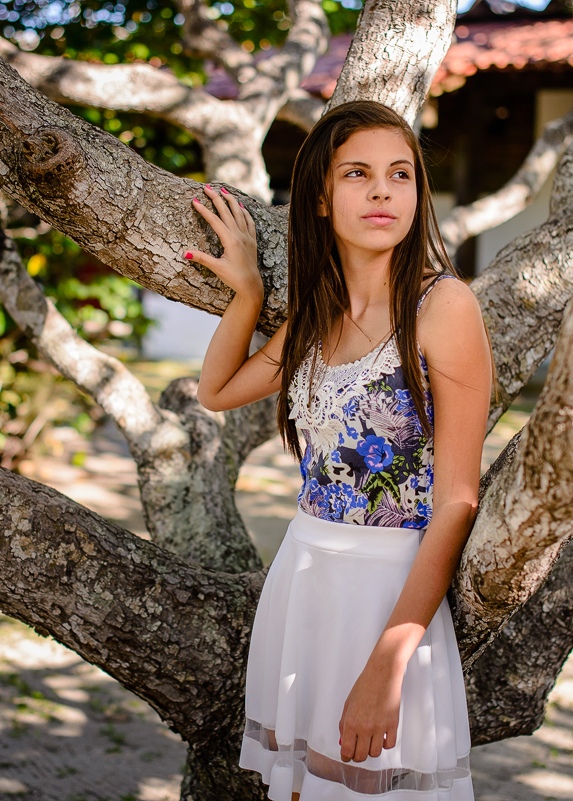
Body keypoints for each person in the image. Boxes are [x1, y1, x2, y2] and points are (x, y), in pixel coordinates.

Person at [187, 99, 494, 800]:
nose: (384, 190)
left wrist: (387, 665)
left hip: (388, 598)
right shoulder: (317, 313)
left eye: (401, 174)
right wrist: (248, 293)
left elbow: (456, 501)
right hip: (304, 583)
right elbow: (218, 389)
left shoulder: (443, 307)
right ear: (321, 198)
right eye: (358, 173)